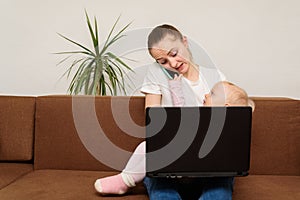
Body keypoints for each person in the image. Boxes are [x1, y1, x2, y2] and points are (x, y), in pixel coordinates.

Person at [94, 24, 253, 199]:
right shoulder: (156, 73)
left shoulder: (215, 77)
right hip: (169, 166)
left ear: (184, 42)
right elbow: (153, 121)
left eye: (174, 54)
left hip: (209, 167)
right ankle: (126, 179)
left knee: (218, 192)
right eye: (163, 62)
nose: (172, 64)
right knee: (149, 153)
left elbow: (233, 112)